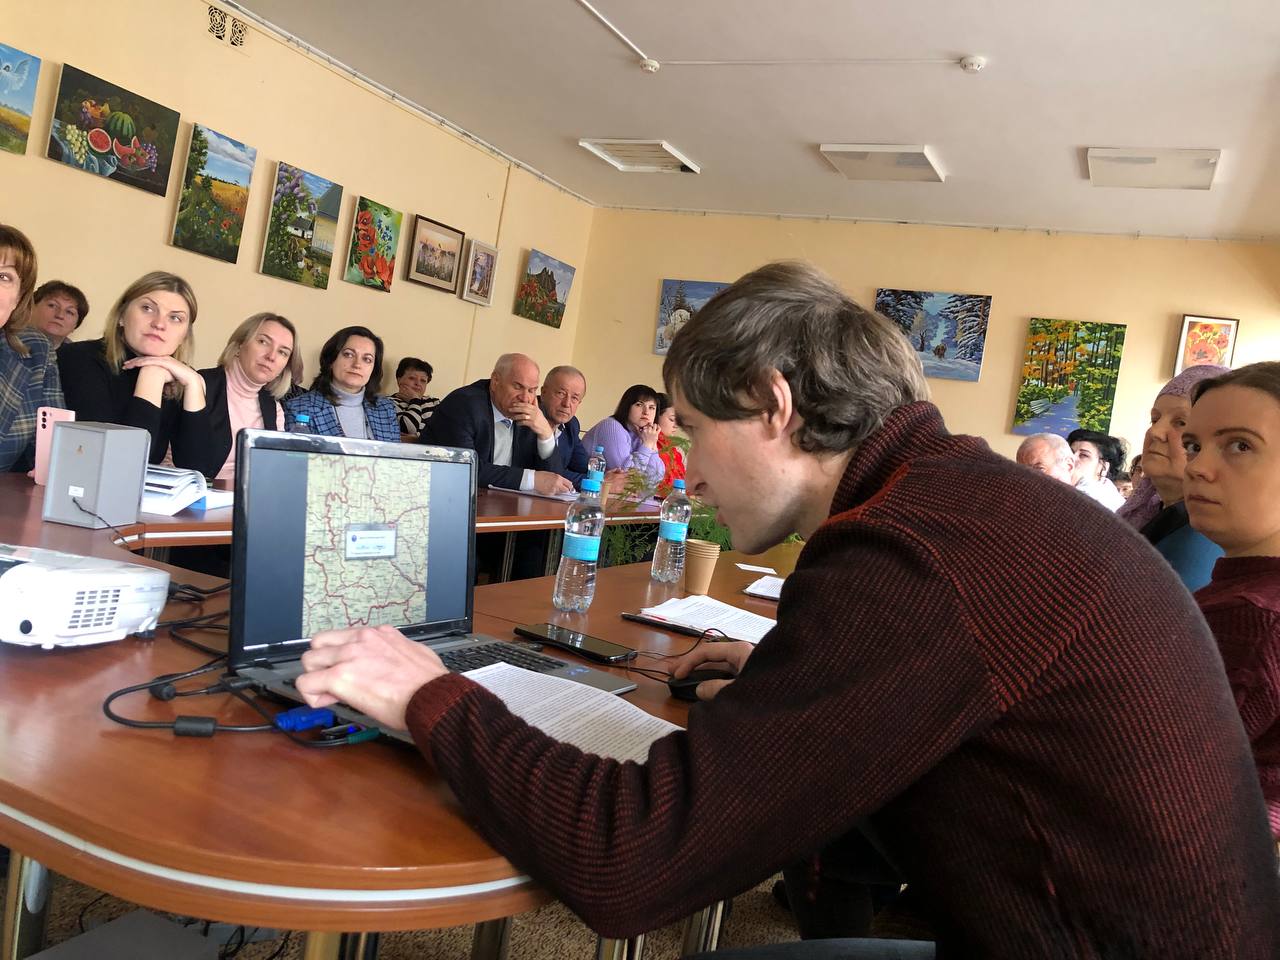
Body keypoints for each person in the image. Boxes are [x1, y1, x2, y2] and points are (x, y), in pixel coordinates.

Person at [294, 261, 1279, 958]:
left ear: (772, 406)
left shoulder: (911, 550)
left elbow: (629, 864)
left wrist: (427, 695)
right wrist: (789, 679)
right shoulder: (955, 498)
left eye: (690, 427)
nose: (684, 466)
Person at [1184, 362, 1280, 838]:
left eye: (1240, 445)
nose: (1196, 467)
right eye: (1194, 445)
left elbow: (1162, 778)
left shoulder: (1251, 616)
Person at [57, 272, 220, 475]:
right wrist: (151, 377)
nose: (159, 324)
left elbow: (202, 470)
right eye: (147, 308)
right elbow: (121, 464)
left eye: (175, 318)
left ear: (184, 336)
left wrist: (194, 384)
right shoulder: (79, 358)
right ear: (121, 316)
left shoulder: (180, 377)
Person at [1117, 366, 1229, 591]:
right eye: (1154, 419)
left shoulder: (1206, 536)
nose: (1155, 432)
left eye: (1181, 422)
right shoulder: (1150, 512)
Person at [421, 353, 569, 495]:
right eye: (518, 387)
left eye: (531, 390)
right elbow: (464, 468)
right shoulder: (463, 404)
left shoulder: (532, 414)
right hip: (444, 496)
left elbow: (553, 481)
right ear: (495, 381)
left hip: (503, 504)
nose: (525, 398)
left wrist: (546, 434)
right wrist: (530, 479)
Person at [201, 313, 297, 482]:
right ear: (240, 344)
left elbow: (274, 468)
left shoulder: (274, 408)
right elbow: (171, 463)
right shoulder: (200, 385)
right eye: (263, 342)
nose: (271, 356)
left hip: (252, 493)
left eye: (282, 352)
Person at [0, 225, 64, 473]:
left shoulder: (36, 350)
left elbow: (54, 457)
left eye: (4, 277)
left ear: (18, 297)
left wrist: (53, 470)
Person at [283, 326, 398, 442]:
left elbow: (394, 453)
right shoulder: (299, 408)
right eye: (349, 354)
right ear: (331, 360)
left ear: (373, 369)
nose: (357, 364)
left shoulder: (386, 409)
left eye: (367, 359)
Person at [582, 384, 665, 490]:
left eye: (651, 408)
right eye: (639, 405)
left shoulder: (643, 435)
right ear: (627, 407)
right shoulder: (611, 426)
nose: (646, 412)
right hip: (585, 492)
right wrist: (647, 445)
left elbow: (652, 482)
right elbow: (626, 477)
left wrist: (652, 444)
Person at [539, 364, 590, 489]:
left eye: (574, 398)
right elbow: (546, 473)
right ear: (543, 393)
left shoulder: (571, 425)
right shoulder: (530, 419)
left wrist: (605, 478)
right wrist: (600, 483)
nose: (567, 404)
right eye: (561, 393)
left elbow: (585, 467)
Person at [1066, 428, 1127, 510]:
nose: (1072, 458)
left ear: (1104, 467)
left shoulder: (1100, 501)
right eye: (1070, 452)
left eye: (1084, 455)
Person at [390, 357, 440, 440]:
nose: (418, 383)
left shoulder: (435, 403)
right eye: (412, 378)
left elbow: (444, 433)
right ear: (399, 380)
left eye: (423, 380)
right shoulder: (387, 403)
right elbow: (408, 429)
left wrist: (417, 439)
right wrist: (415, 400)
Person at [30, 279, 89, 348]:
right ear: (32, 307)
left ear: (76, 325)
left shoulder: (78, 353)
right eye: (52, 305)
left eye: (69, 312)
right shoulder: (17, 343)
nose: (59, 315)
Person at [654, 391, 686, 497]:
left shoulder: (674, 450)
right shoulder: (648, 446)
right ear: (655, 417)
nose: (676, 425)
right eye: (672, 419)